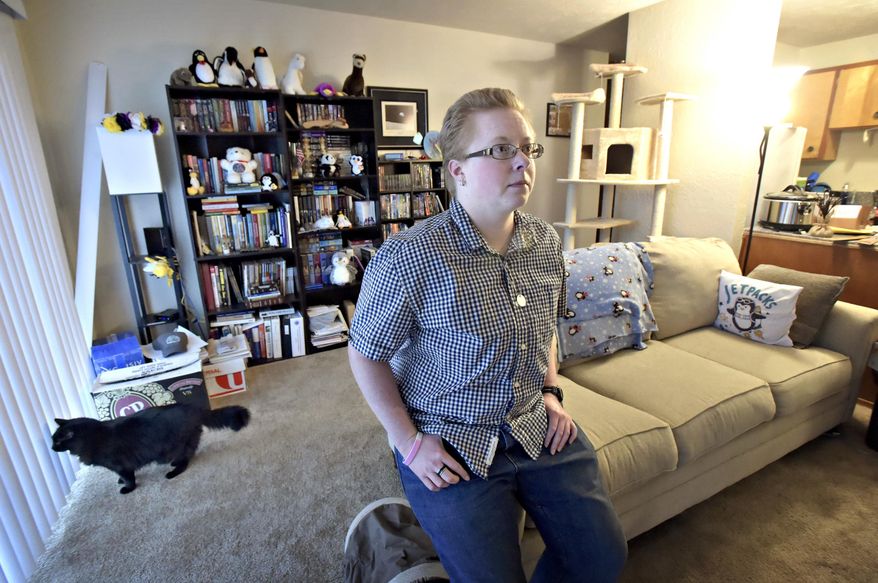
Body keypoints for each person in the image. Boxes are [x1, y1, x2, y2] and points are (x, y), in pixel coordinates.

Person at [348, 88, 627, 582]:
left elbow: (542, 334)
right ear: (457, 169)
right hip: (450, 439)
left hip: (535, 425)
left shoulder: (545, 242)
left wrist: (550, 392)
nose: (523, 162)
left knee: (602, 558)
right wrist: (409, 443)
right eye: (501, 149)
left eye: (527, 148)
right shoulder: (408, 257)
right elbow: (365, 356)